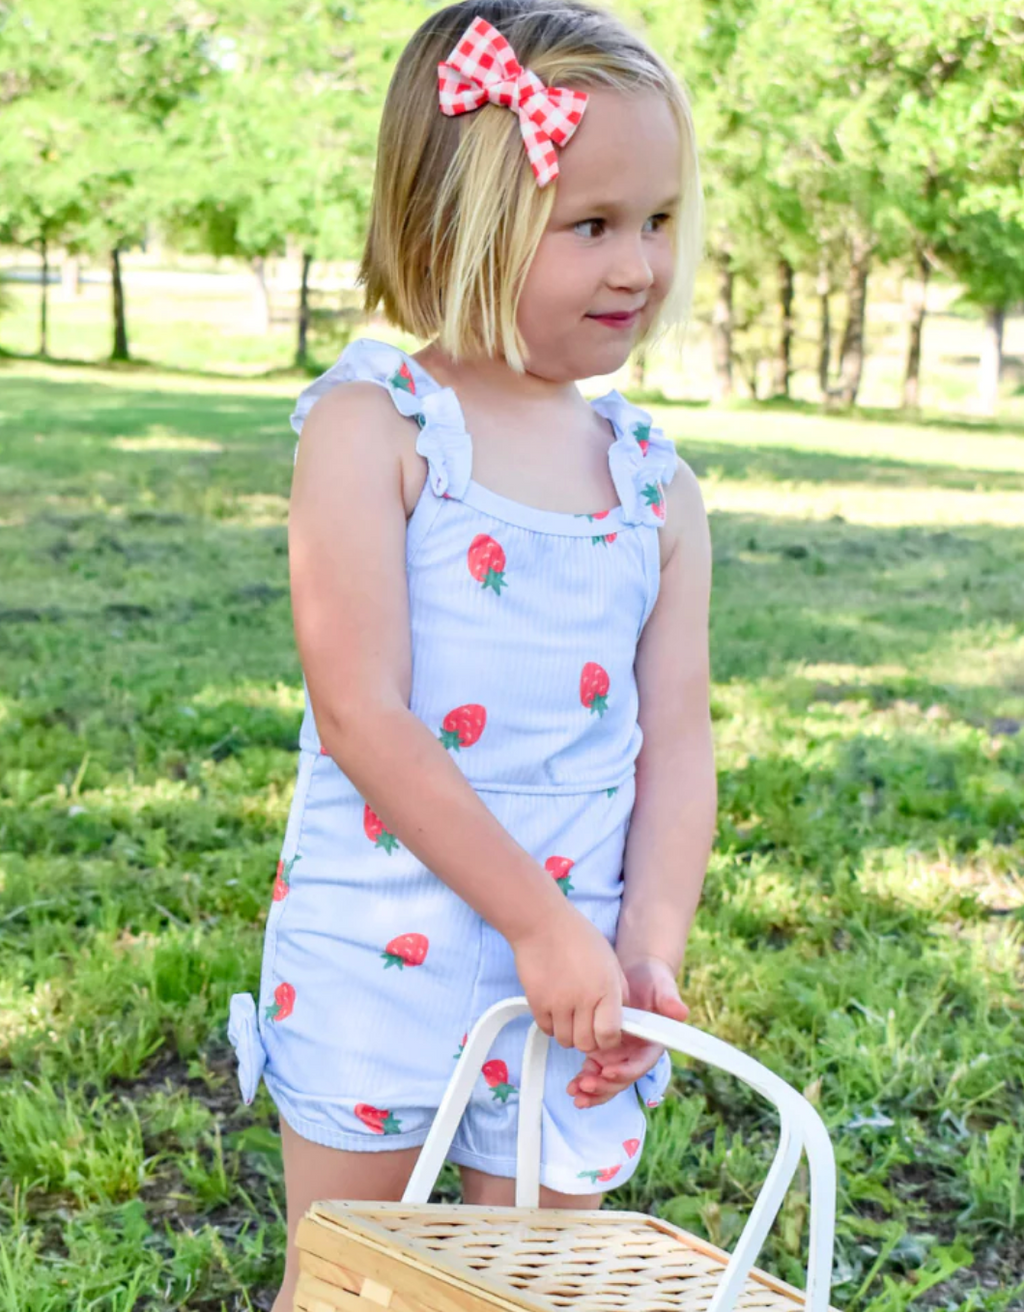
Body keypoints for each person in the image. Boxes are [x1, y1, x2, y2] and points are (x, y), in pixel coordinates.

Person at [227, 3, 716, 1307]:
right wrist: (535, 922)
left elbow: (680, 740)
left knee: (538, 1287)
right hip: (381, 945)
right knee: (349, 1282)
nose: (639, 266)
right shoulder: (373, 428)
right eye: (594, 225)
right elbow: (360, 712)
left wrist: (646, 947)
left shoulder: (654, 483)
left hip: (581, 971)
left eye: (659, 220)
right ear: (465, 223)